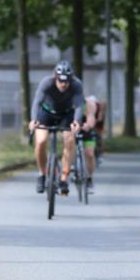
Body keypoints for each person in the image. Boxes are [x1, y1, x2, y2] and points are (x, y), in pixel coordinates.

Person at [29, 60, 84, 195]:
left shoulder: (76, 85)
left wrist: (77, 121)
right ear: (55, 77)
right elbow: (37, 102)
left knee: (70, 140)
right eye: (61, 81)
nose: (64, 84)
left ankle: (64, 178)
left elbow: (78, 106)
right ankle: (42, 174)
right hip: (46, 112)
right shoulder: (46, 83)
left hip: (66, 114)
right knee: (41, 141)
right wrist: (34, 119)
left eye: (67, 81)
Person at [79, 94, 98, 190]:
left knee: (90, 154)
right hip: (72, 128)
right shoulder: (68, 101)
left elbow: (91, 117)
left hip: (86, 129)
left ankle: (89, 177)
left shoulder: (89, 103)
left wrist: (88, 125)